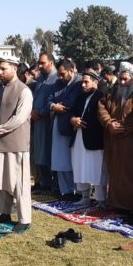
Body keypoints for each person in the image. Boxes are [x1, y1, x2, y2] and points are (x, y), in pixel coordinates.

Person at [0, 56, 33, 232]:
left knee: (18, 183)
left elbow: (20, 117)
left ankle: (24, 219)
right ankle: (4, 212)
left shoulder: (24, 90)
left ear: (14, 68)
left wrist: (0, 128)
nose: (0, 72)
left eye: (4, 69)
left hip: (15, 144)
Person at [98, 62, 133, 211]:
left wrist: (123, 129)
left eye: (125, 79)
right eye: (120, 78)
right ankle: (115, 203)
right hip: (112, 140)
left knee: (131, 173)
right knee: (115, 173)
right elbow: (101, 108)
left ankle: (132, 206)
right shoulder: (112, 91)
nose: (121, 82)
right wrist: (109, 124)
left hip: (132, 141)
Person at [70, 69, 107, 207]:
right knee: (81, 167)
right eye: (82, 82)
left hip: (94, 139)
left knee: (96, 170)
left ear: (95, 82)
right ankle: (85, 197)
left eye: (86, 82)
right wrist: (73, 120)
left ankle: (101, 200)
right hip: (78, 138)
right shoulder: (80, 97)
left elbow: (102, 118)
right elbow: (73, 113)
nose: (83, 85)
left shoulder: (101, 96)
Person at [49, 59, 82, 200]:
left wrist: (59, 105)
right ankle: (66, 191)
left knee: (74, 161)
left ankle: (78, 191)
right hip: (59, 124)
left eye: (63, 74)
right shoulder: (57, 83)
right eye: (59, 74)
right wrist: (53, 106)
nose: (61, 77)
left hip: (73, 126)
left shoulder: (79, 82)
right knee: (60, 160)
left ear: (71, 70)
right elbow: (49, 99)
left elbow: (71, 102)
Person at [30, 52, 57, 191]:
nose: (40, 66)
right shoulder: (41, 78)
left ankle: (53, 185)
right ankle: (43, 183)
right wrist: (33, 111)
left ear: (51, 63)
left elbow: (54, 100)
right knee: (39, 154)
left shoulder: (57, 78)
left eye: (43, 63)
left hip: (49, 122)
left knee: (49, 154)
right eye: (39, 63)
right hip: (37, 121)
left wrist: (41, 112)